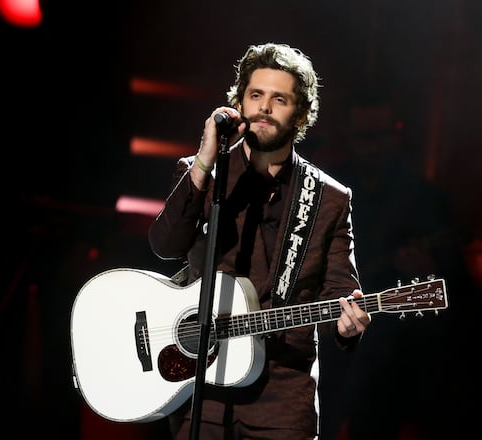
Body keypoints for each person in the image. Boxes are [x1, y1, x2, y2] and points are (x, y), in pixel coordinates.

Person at [147, 42, 371, 440]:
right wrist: (202, 161)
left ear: (300, 113)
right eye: (256, 95)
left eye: (279, 99)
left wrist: (347, 327)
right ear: (239, 103)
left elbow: (341, 292)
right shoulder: (204, 174)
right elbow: (165, 245)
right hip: (202, 384)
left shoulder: (330, 199)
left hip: (282, 396)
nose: (265, 107)